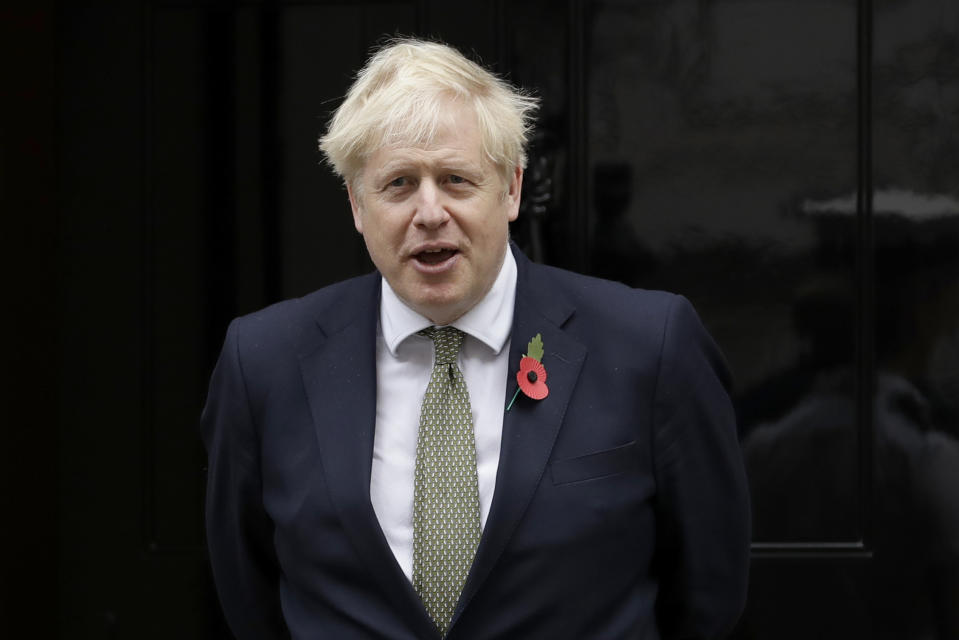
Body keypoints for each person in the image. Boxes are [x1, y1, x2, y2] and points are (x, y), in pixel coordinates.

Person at [201, 38, 750, 640]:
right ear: (357, 204)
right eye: (399, 184)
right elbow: (248, 591)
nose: (429, 212)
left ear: (511, 189)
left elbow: (708, 595)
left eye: (457, 179)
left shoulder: (651, 345)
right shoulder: (264, 362)